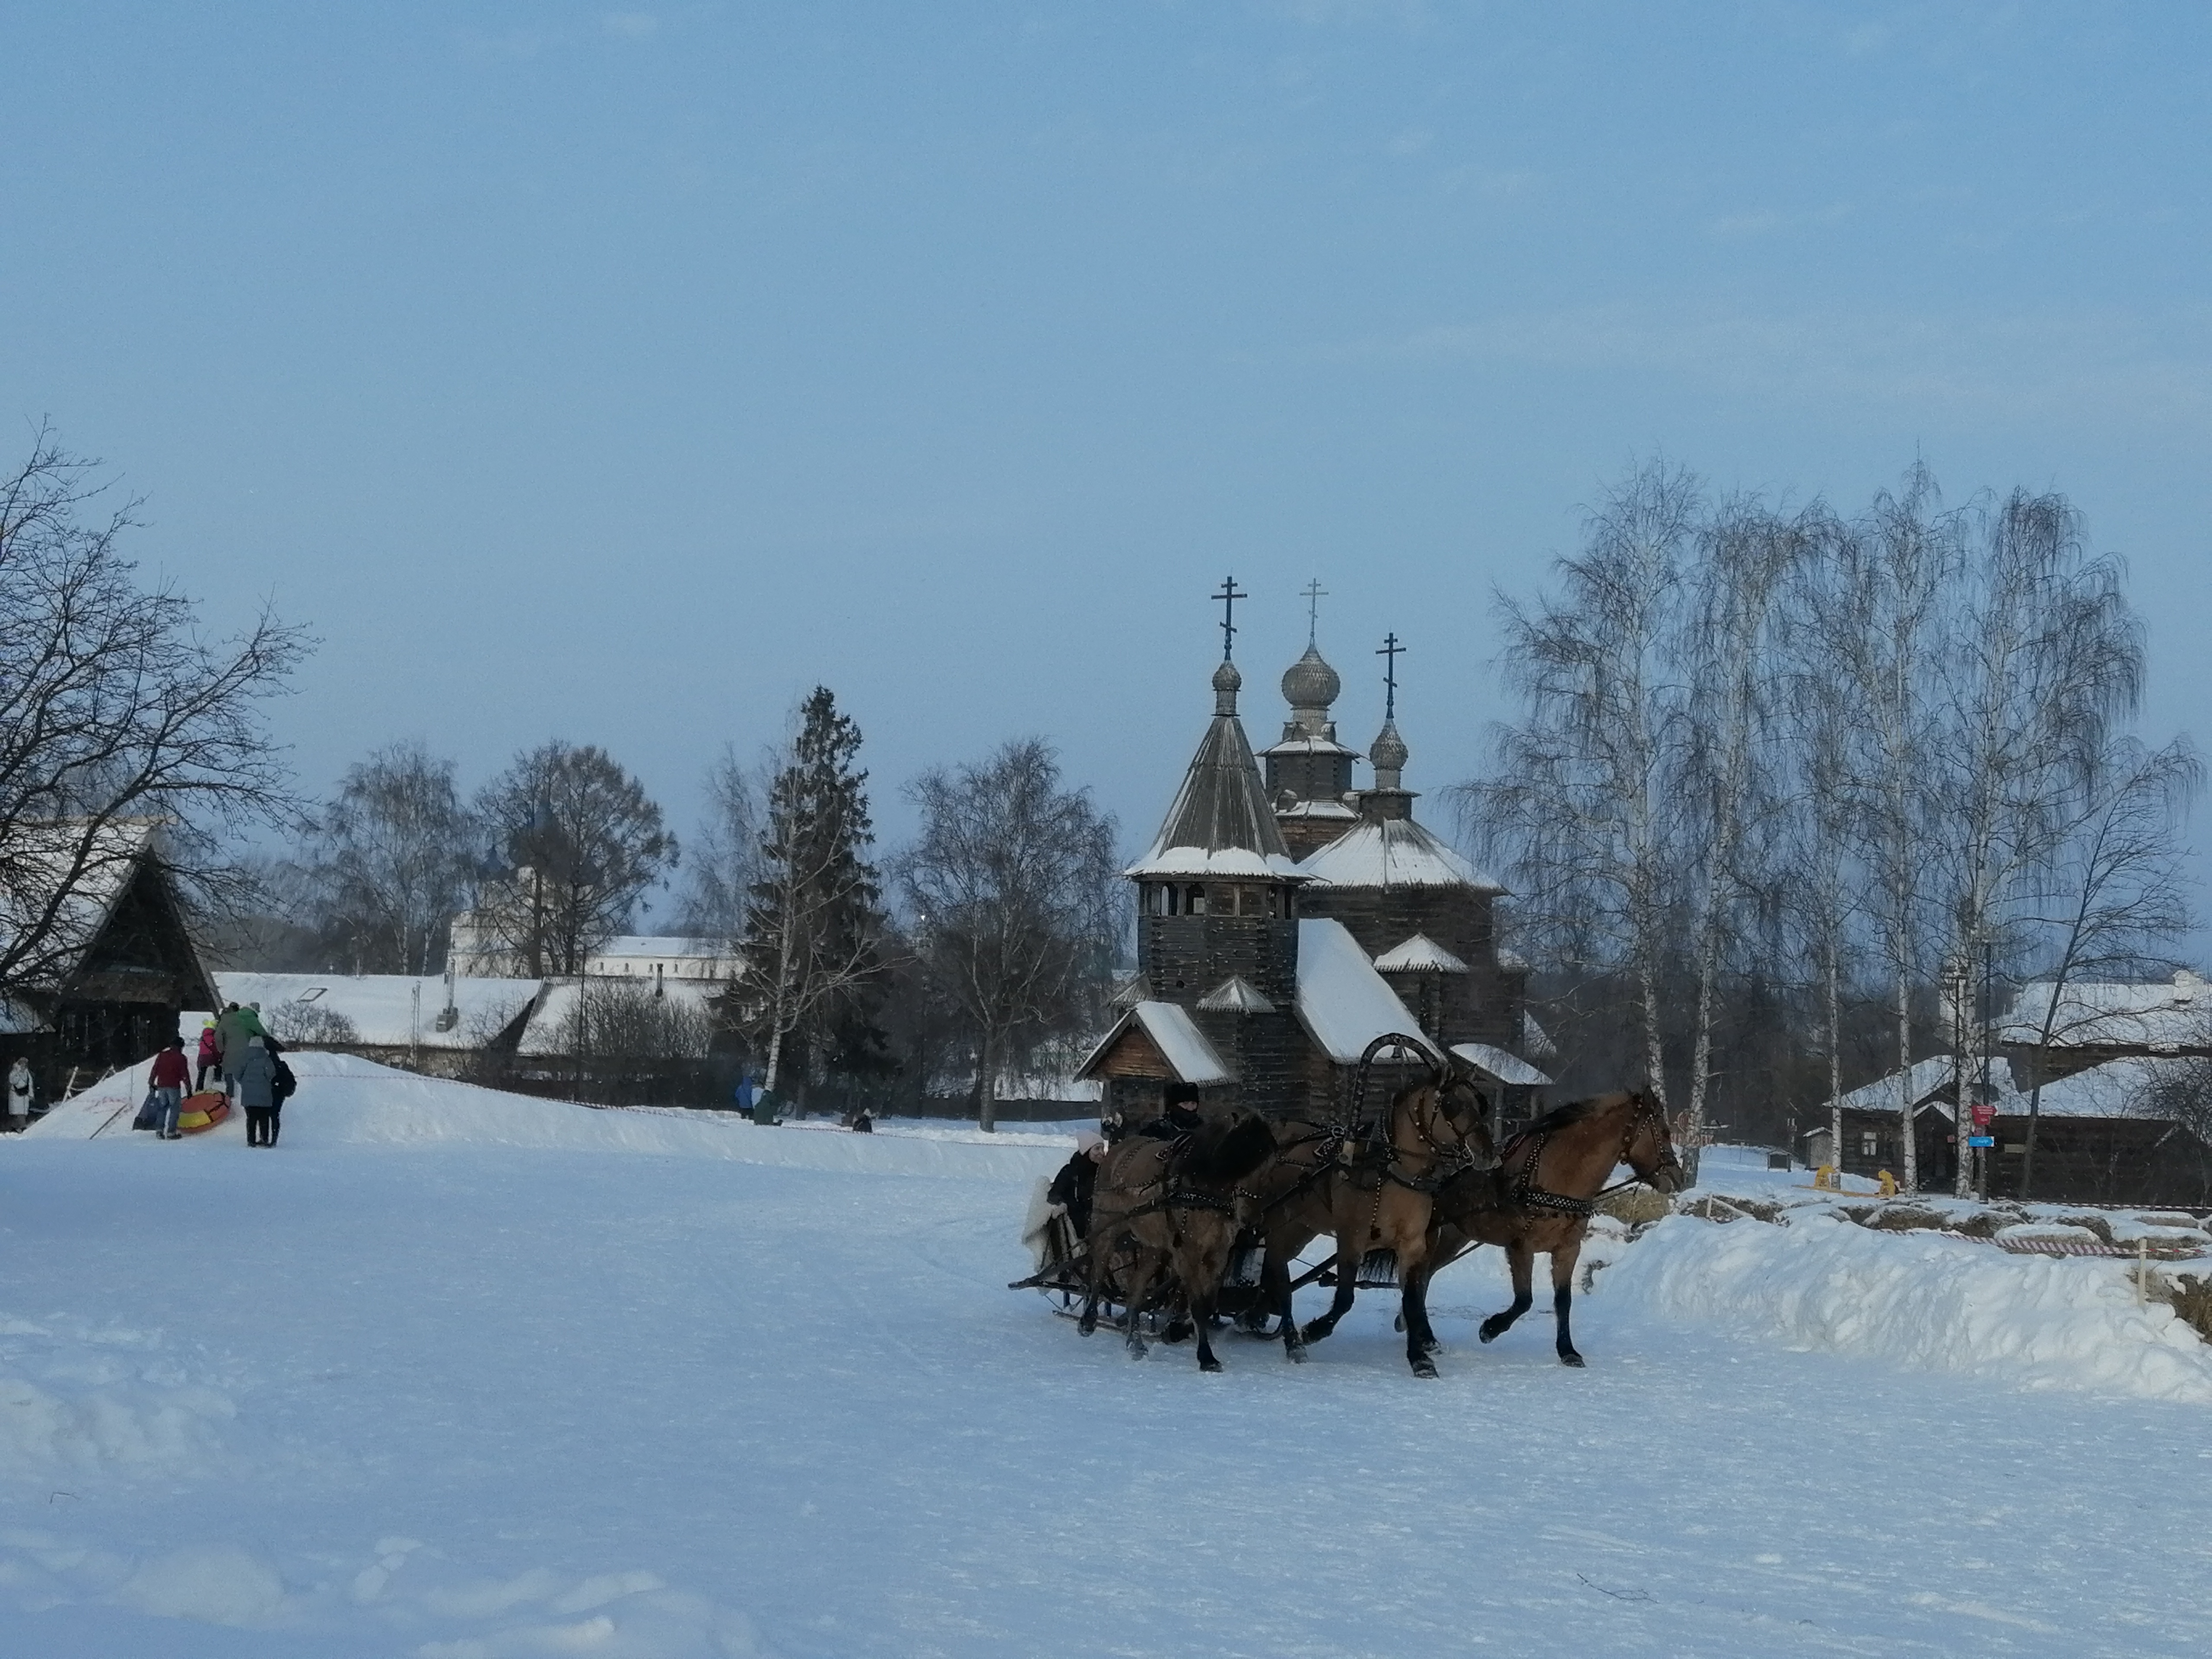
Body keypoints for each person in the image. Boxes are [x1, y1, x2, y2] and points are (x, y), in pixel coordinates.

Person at [1046, 1130, 1108, 1242]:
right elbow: (1054, 1196)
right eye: (1097, 1149)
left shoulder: (1105, 1172)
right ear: (1086, 1151)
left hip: (1101, 1220)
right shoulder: (1071, 1171)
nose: (1102, 1153)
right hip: (1080, 1222)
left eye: (1102, 1149)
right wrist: (1063, 1204)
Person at [236, 1035, 278, 1147]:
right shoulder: (266, 1058)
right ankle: (264, 1139)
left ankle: (251, 1141)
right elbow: (272, 1074)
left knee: (251, 1119)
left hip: (248, 1094)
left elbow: (237, 1074)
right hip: (264, 1093)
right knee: (264, 1118)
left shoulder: (244, 1057)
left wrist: (245, 1083)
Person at [149, 1036, 191, 1140]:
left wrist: (151, 1082)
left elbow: (155, 1069)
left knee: (162, 1108)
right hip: (173, 1087)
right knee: (175, 1109)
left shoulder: (162, 1055)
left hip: (161, 1086)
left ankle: (159, 1131)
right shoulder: (181, 1058)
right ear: (180, 1046)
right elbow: (185, 1074)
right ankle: (171, 1132)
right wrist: (189, 1089)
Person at [5, 1057, 31, 1132]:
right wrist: (19, 1073)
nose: (24, 1065)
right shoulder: (14, 1072)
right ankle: (23, 1127)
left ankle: (15, 1127)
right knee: (19, 1114)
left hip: (24, 1096)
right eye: (22, 1063)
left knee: (21, 1114)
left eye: (25, 1064)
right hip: (16, 1096)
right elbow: (13, 1081)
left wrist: (31, 1094)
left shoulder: (27, 1072)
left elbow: (30, 1084)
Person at [194, 1019, 221, 1091]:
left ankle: (199, 1089)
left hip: (203, 1058)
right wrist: (219, 1057)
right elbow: (215, 1049)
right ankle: (218, 1082)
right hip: (211, 1058)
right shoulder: (213, 1038)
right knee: (217, 1068)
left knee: (202, 1074)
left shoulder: (202, 1039)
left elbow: (201, 1051)